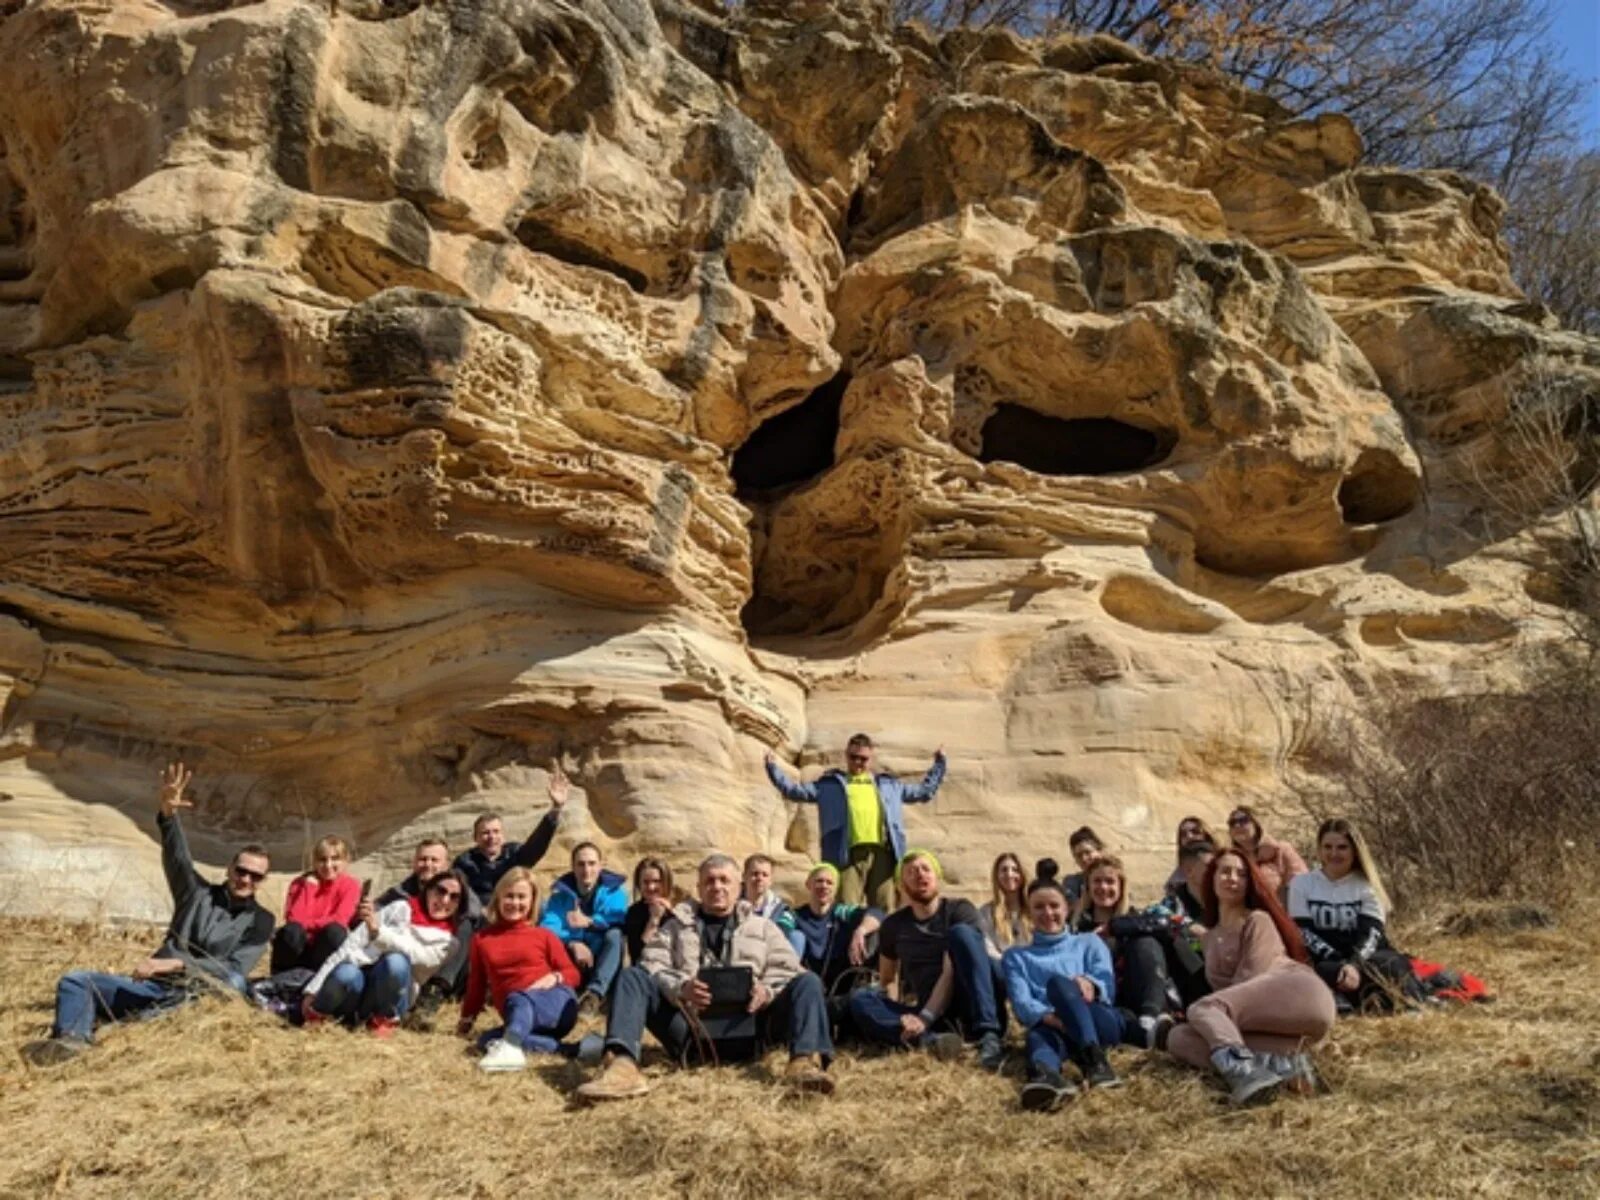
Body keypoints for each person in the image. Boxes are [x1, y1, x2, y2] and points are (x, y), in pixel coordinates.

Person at [25, 762, 274, 1065]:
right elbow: (177, 858)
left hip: (193, 994)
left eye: (255, 876)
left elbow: (233, 969)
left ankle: (129, 1026)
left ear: (262, 882)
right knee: (76, 981)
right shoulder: (196, 893)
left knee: (232, 985)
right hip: (152, 988)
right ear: (230, 869)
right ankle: (73, 1042)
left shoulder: (262, 920)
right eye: (242, 870)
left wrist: (174, 963)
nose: (246, 879)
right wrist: (169, 815)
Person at [575, 854, 836, 1101]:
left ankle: (802, 1066)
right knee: (633, 976)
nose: (717, 886)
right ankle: (623, 1068)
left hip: (753, 1030)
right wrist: (680, 988)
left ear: (739, 887)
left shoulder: (763, 927)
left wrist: (766, 990)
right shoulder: (674, 927)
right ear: (699, 888)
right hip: (690, 1034)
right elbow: (651, 963)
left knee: (808, 981)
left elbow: (788, 967)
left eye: (724, 880)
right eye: (709, 881)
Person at [1165, 849, 1336, 1104]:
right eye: (1225, 871)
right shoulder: (1209, 937)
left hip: (1299, 995)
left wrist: (1212, 1016)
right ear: (1211, 879)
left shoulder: (1258, 920)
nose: (1232, 878)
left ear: (1250, 884)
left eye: (1241, 874)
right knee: (1179, 1038)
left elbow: (1249, 978)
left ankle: (1245, 1074)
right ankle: (1288, 1066)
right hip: (1272, 1026)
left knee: (1203, 1009)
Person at [846, 849, 1005, 1069]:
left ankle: (988, 1036)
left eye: (925, 869)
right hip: (930, 1013)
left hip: (971, 1002)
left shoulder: (960, 910)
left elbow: (949, 973)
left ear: (936, 877)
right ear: (901, 885)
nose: (920, 874)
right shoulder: (893, 926)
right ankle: (932, 1042)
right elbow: (887, 978)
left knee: (963, 935)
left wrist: (925, 1017)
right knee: (862, 999)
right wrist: (899, 1014)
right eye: (911, 872)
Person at [763, 734, 946, 909]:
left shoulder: (889, 786)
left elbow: (924, 792)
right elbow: (794, 791)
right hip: (846, 855)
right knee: (846, 909)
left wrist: (939, 764)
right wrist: (773, 768)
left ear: (871, 758)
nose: (858, 762)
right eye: (853, 757)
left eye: (863, 758)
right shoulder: (830, 786)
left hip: (883, 854)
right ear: (846, 755)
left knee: (884, 909)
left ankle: (881, 943)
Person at [1002, 864, 1123, 1109]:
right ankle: (1047, 1076)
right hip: (1053, 1026)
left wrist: (1089, 983)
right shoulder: (1016, 957)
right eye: (1039, 907)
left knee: (1059, 985)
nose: (1047, 913)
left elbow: (1107, 986)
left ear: (1066, 909)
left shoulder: (1089, 942)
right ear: (1029, 912)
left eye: (1054, 906)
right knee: (1037, 1035)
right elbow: (1022, 1003)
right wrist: (1050, 1018)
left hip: (1098, 1020)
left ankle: (1095, 1062)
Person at [302, 869, 467, 1035]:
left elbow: (417, 956)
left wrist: (378, 932)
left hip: (390, 997)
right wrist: (313, 989)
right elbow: (351, 945)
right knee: (346, 972)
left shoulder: (449, 943)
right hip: (358, 983)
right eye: (441, 891)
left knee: (396, 961)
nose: (445, 900)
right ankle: (317, 1013)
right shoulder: (399, 908)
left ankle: (384, 1021)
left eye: (454, 897)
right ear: (429, 890)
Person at [1289, 818, 1426, 1013]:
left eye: (1342, 847)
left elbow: (1371, 935)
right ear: (1319, 849)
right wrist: (1341, 964)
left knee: (1388, 965)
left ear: (1354, 851)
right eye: (1327, 847)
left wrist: (1353, 965)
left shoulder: (1368, 886)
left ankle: (1408, 1003)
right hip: (1326, 960)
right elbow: (1304, 933)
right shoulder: (1301, 884)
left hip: (1367, 956)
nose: (1334, 853)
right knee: (1318, 972)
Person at [458, 868, 582, 1073]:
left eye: (521, 897)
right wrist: (466, 1019)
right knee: (486, 1041)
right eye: (509, 896)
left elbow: (573, 974)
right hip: (518, 1017)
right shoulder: (482, 939)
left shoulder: (544, 935)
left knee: (518, 998)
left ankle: (510, 1046)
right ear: (498, 898)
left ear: (532, 901)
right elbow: (476, 984)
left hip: (555, 1004)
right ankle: (574, 1049)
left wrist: (555, 977)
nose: (515, 903)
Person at [1072, 856, 1176, 1047]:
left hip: (1138, 993)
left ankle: (1150, 1019)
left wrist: (1115, 927)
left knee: (1145, 943)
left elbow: (1168, 927)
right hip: (1105, 1001)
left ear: (1121, 887)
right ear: (1087, 886)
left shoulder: (1137, 920)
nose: (1103, 887)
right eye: (1097, 881)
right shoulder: (1077, 927)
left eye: (1110, 881)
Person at [375, 837, 481, 1011]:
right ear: (415, 863)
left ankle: (435, 991)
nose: (428, 864)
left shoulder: (456, 887)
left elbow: (474, 912)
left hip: (447, 961)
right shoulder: (402, 891)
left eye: (434, 860)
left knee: (466, 926)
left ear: (446, 865)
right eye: (423, 859)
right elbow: (378, 909)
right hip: (413, 961)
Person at [454, 765, 569, 905]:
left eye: (496, 832)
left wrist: (556, 809)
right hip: (480, 916)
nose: (491, 837)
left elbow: (537, 845)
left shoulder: (514, 854)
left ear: (503, 836)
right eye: (485, 833)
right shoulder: (465, 862)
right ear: (475, 838)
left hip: (514, 907)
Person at [539, 841, 628, 1016]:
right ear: (573, 867)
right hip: (572, 960)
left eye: (592, 863)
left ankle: (594, 995)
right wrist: (573, 942)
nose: (586, 870)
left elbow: (617, 917)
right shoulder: (560, 897)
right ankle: (566, 992)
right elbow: (548, 928)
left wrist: (589, 921)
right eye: (581, 864)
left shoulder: (615, 892)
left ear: (601, 865)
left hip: (602, 960)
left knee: (615, 935)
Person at [790, 863, 882, 1031]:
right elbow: (779, 932)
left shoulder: (841, 912)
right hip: (806, 981)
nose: (824, 886)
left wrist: (860, 931)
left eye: (829, 882)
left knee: (873, 933)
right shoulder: (794, 915)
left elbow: (877, 914)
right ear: (808, 885)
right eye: (819, 881)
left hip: (841, 980)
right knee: (795, 937)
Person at [270, 834, 360, 974]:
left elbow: (340, 920)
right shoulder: (300, 884)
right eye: (322, 860)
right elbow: (294, 920)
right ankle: (281, 978)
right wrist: (309, 888)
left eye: (335, 859)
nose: (328, 865)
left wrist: (309, 924)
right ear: (315, 862)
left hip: (324, 947)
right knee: (291, 931)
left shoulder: (350, 885)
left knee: (335, 932)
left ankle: (321, 979)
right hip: (299, 946)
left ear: (345, 861)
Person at [1226, 806, 1307, 901]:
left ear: (1256, 824)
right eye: (1232, 823)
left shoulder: (1281, 850)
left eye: (1243, 820)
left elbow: (1301, 882)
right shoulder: (1230, 859)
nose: (1237, 826)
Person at [743, 853, 806, 958]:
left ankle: (789, 973)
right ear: (744, 876)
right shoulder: (731, 904)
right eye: (755, 874)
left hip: (769, 954)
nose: (759, 878)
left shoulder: (782, 910)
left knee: (797, 937)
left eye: (764, 875)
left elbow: (779, 938)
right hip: (739, 953)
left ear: (770, 880)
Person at [622, 857, 675, 966]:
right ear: (639, 884)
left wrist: (672, 915)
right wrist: (653, 920)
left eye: (656, 881)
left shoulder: (678, 912)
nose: (651, 887)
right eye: (646, 882)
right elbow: (637, 955)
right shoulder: (634, 912)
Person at [1164, 817, 1217, 896]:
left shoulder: (1222, 864)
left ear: (1206, 835)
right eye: (1183, 834)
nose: (1189, 836)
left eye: (1195, 832)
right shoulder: (1175, 881)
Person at [1063, 827, 1105, 906]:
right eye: (1079, 855)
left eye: (1088, 852)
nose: (1084, 859)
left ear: (1100, 851)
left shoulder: (1114, 879)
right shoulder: (1072, 883)